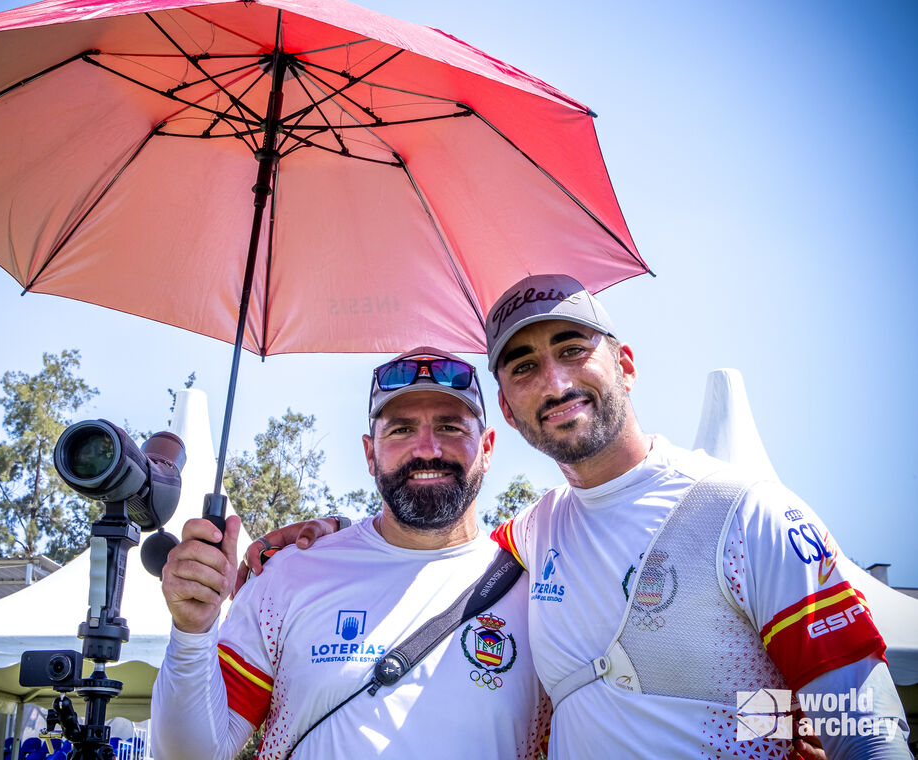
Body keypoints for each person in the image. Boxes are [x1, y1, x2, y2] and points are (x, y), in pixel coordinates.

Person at [244, 275, 911, 760]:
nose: (555, 382)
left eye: (572, 349)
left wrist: (766, 723)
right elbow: (430, 545)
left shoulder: (745, 511)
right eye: (526, 366)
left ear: (624, 364)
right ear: (507, 410)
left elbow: (865, 725)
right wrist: (321, 534)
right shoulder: (535, 534)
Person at [150, 348, 549, 759]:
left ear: (486, 448)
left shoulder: (541, 590)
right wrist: (193, 630)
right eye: (400, 430)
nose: (427, 448)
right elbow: (191, 754)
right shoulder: (291, 574)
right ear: (369, 454)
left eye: (450, 427)